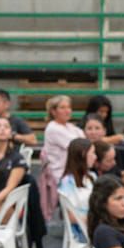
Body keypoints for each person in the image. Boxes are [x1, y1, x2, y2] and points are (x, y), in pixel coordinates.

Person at [37, 93, 84, 225]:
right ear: (53, 111)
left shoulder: (70, 127)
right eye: (62, 107)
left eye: (69, 107)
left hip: (72, 171)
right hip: (60, 175)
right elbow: (79, 147)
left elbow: (84, 141)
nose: (67, 110)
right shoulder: (53, 128)